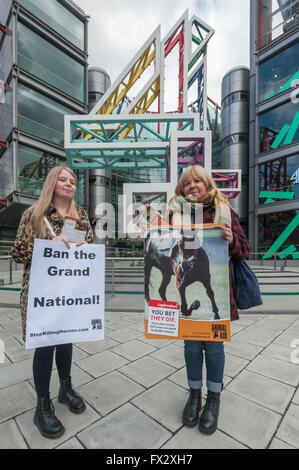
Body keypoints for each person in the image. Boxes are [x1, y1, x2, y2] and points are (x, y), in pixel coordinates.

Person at [11, 165, 95, 439]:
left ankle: (65, 388)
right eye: (63, 178)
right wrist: (48, 246)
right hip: (41, 294)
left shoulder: (79, 215)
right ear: (52, 182)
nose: (69, 183)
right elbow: (18, 251)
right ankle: (42, 405)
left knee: (66, 339)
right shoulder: (34, 213)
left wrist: (82, 246)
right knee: (46, 344)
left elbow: (89, 243)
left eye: (72, 180)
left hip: (70, 292)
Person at [168, 164, 250, 435]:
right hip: (186, 287)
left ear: (207, 184)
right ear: (182, 188)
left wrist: (230, 240)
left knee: (214, 350)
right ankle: (194, 395)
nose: (193, 186)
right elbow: (162, 243)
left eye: (198, 182)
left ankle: (213, 398)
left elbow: (245, 250)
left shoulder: (224, 209)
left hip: (219, 291)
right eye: (188, 183)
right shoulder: (175, 214)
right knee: (191, 348)